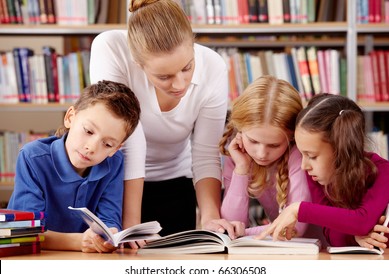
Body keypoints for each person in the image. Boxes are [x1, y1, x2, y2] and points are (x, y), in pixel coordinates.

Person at [89, 0, 230, 239]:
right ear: (137, 62)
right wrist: (132, 227)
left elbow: (206, 153)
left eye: (187, 67)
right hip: (113, 185)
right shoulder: (110, 48)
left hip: (175, 183)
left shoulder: (213, 66)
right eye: (164, 76)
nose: (179, 84)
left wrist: (210, 218)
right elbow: (128, 137)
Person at [7, 80, 141, 253]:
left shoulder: (114, 163)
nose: (91, 148)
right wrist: (78, 242)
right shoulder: (32, 157)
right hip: (35, 259)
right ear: (70, 117)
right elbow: (24, 233)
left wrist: (109, 237)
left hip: (85, 262)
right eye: (88, 131)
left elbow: (110, 221)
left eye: (107, 144)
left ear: (115, 149)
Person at [257, 93, 389, 249]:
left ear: (341, 150)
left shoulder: (383, 171)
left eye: (311, 156)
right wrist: (355, 237)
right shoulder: (315, 176)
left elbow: (361, 222)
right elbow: (333, 238)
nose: (304, 166)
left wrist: (299, 209)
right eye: (302, 154)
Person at [219, 75, 324, 241]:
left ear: (291, 138)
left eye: (274, 145)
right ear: (240, 129)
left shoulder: (299, 155)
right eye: (253, 141)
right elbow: (232, 223)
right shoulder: (239, 153)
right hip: (285, 248)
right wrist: (241, 169)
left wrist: (242, 233)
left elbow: (295, 226)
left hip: (321, 249)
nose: (261, 153)